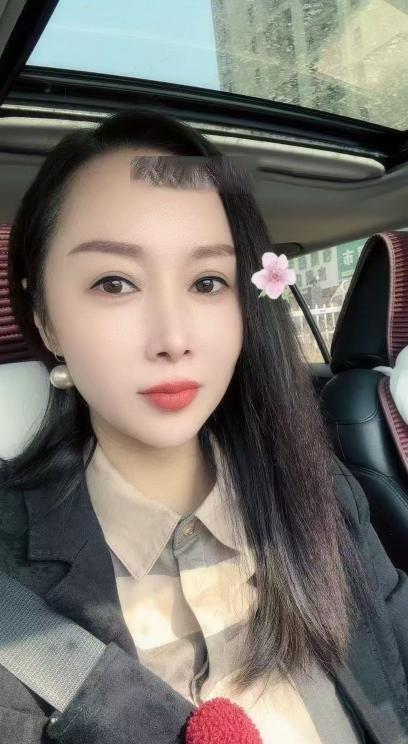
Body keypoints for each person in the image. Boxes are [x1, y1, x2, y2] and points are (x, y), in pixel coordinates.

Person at [0, 108, 407, 744]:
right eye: (115, 283)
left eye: (208, 281)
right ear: (45, 316)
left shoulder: (324, 495)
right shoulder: (11, 586)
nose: (174, 338)